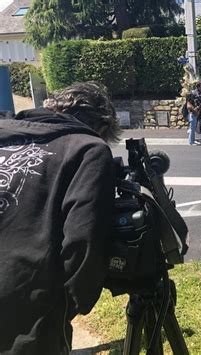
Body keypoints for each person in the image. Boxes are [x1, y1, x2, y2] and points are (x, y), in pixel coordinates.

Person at [0, 82, 121, 354]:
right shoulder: (88, 148)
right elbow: (83, 239)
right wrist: (73, 302)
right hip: (23, 300)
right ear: (101, 128)